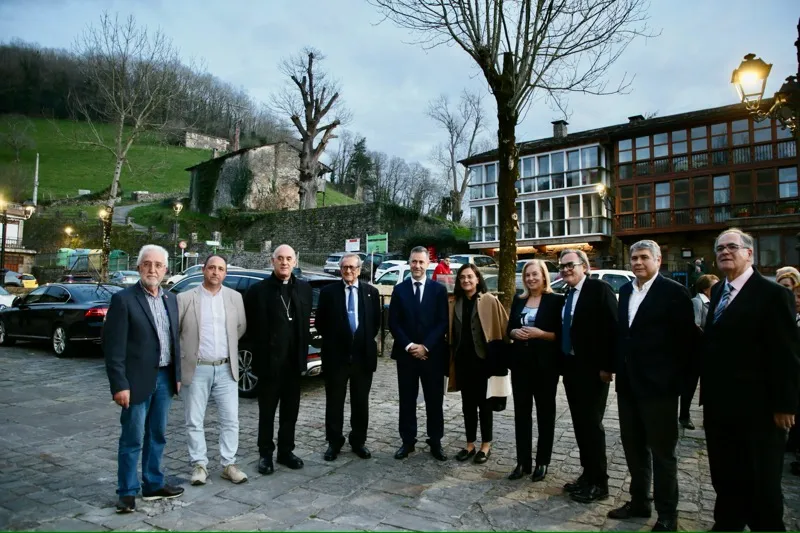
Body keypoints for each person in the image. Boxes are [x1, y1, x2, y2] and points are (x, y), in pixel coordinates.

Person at [701, 228, 799, 531]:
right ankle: (727, 523)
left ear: (749, 253)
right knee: (725, 475)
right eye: (719, 248)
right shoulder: (718, 291)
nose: (724, 252)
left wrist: (785, 405)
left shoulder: (773, 295)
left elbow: (786, 355)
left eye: (732, 247)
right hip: (720, 406)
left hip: (759, 409)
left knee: (761, 483)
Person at [608, 240, 695, 532]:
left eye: (644, 257)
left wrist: (676, 384)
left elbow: (686, 344)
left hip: (660, 389)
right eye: (634, 258)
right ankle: (639, 501)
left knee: (662, 453)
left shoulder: (674, 293)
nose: (637, 262)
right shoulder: (625, 290)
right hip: (628, 386)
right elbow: (624, 336)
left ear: (658, 260)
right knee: (633, 448)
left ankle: (667, 514)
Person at [103, 245, 184, 513]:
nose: (152, 269)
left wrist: (177, 375)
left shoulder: (171, 299)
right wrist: (119, 384)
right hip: (135, 381)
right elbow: (113, 348)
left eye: (158, 265)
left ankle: (153, 483)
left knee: (157, 435)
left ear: (165, 270)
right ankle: (126, 491)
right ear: (139, 268)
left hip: (164, 378)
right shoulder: (124, 300)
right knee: (132, 437)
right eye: (147, 264)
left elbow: (175, 341)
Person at [177, 254, 248, 485]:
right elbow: (177, 333)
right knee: (194, 420)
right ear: (203, 270)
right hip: (197, 369)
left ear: (225, 273)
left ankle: (229, 464)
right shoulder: (186, 298)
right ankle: (199, 465)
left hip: (226, 369)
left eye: (220, 269)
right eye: (211, 268)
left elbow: (240, 328)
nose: (215, 272)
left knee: (230, 419)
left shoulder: (235, 297)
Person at [556, 248, 618, 504]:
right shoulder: (568, 293)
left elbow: (614, 327)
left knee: (593, 426)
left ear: (585, 266)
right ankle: (587, 474)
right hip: (572, 368)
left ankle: (599, 483)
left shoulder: (599, 289)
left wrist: (608, 366)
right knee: (580, 425)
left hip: (594, 370)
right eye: (562, 266)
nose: (566, 269)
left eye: (571, 264)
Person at [244, 244, 312, 475]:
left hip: (294, 364)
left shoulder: (304, 289)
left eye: (289, 258)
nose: (284, 262)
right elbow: (250, 330)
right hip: (269, 365)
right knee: (267, 413)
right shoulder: (257, 291)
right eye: (280, 258)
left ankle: (286, 451)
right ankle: (265, 454)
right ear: (272, 261)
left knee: (290, 413)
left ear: (295, 261)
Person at [316, 253, 381, 461]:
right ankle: (334, 442)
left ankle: (358, 441)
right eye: (345, 268)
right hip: (337, 358)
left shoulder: (371, 292)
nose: (348, 271)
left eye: (352, 267)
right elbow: (320, 323)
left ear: (359, 270)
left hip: (363, 358)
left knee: (360, 402)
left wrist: (360, 341)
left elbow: (375, 324)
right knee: (334, 402)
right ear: (340, 270)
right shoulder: (328, 293)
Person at [389, 245, 449, 461]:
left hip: (432, 356)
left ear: (428, 264)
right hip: (406, 356)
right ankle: (407, 441)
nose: (417, 265)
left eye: (421, 262)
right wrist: (409, 346)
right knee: (407, 399)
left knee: (434, 400)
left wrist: (426, 347)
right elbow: (393, 323)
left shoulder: (438, 290)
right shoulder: (400, 289)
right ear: (409, 263)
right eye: (414, 261)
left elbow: (443, 322)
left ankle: (435, 440)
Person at [506, 260, 563, 482]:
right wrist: (513, 334)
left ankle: (542, 461)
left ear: (544, 277)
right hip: (521, 365)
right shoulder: (519, 300)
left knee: (545, 414)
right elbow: (509, 327)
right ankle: (523, 461)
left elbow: (561, 334)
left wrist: (541, 334)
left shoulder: (555, 300)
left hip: (545, 366)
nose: (531, 279)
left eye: (535, 275)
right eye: (527, 275)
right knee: (521, 414)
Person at [447, 263, 508, 465]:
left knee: (485, 404)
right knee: (468, 405)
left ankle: (486, 445)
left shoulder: (489, 300)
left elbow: (503, 327)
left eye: (470, 277)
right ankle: (470, 444)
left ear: (477, 278)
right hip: (462, 362)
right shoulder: (454, 302)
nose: (466, 280)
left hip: (483, 362)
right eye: (462, 277)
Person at [679, 273, 719, 430]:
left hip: (708, 351)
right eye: (714, 286)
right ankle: (684, 416)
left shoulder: (714, 302)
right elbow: (694, 325)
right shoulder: (697, 302)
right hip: (695, 351)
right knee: (689, 385)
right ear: (705, 288)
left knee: (709, 385)